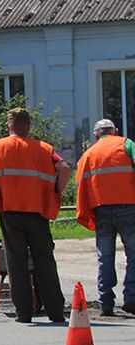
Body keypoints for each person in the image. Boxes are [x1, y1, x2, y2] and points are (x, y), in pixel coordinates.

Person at [0, 107, 71, 323]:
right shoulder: (44, 149)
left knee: (16, 263)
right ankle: (55, 311)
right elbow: (65, 168)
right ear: (29, 126)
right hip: (38, 212)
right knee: (45, 261)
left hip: (10, 212)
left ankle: (24, 314)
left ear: (9, 126)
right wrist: (56, 191)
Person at [75, 119, 135, 316]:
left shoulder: (89, 154)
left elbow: (81, 183)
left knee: (105, 256)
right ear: (115, 131)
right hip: (129, 207)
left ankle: (106, 303)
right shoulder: (126, 144)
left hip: (102, 210)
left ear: (96, 135)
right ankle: (131, 299)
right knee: (133, 254)